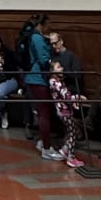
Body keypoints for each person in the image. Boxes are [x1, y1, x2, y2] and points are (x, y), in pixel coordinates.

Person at [19, 14, 63, 160]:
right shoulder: (36, 38)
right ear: (41, 24)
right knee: (44, 113)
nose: (49, 27)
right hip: (37, 78)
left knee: (44, 111)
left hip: (35, 78)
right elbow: (43, 59)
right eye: (48, 24)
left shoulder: (34, 36)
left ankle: (43, 141)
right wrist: (52, 65)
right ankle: (46, 147)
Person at [49, 59, 86, 168]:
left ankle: (65, 150)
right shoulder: (56, 82)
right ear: (52, 71)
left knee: (71, 130)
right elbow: (66, 96)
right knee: (72, 132)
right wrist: (77, 98)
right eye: (58, 67)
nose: (62, 69)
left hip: (64, 109)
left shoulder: (57, 81)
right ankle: (71, 156)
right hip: (63, 111)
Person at [48, 30, 82, 94]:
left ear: (61, 41)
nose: (53, 46)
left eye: (55, 43)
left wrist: (62, 71)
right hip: (56, 89)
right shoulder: (52, 56)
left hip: (70, 89)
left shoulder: (71, 56)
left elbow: (77, 75)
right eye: (51, 44)